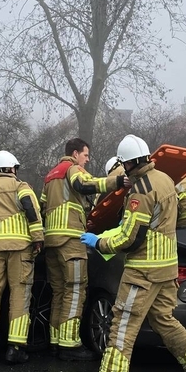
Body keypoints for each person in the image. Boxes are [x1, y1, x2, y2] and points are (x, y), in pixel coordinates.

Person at [79, 134, 186, 372]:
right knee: (164, 321)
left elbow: (130, 237)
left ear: (127, 163)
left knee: (122, 324)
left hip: (143, 270)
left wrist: (100, 242)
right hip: (167, 268)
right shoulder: (165, 179)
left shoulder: (140, 191)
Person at [42, 138, 126, 360]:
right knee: (76, 290)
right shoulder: (73, 168)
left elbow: (43, 206)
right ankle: (69, 345)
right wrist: (118, 182)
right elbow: (84, 185)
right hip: (71, 240)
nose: (87, 160)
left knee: (59, 292)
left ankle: (55, 341)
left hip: (51, 241)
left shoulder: (50, 176)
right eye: (86, 155)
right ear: (76, 153)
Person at [0, 150, 45, 365]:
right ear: (13, 169)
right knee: (19, 294)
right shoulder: (21, 187)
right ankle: (15, 348)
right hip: (19, 248)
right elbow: (31, 209)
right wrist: (38, 238)